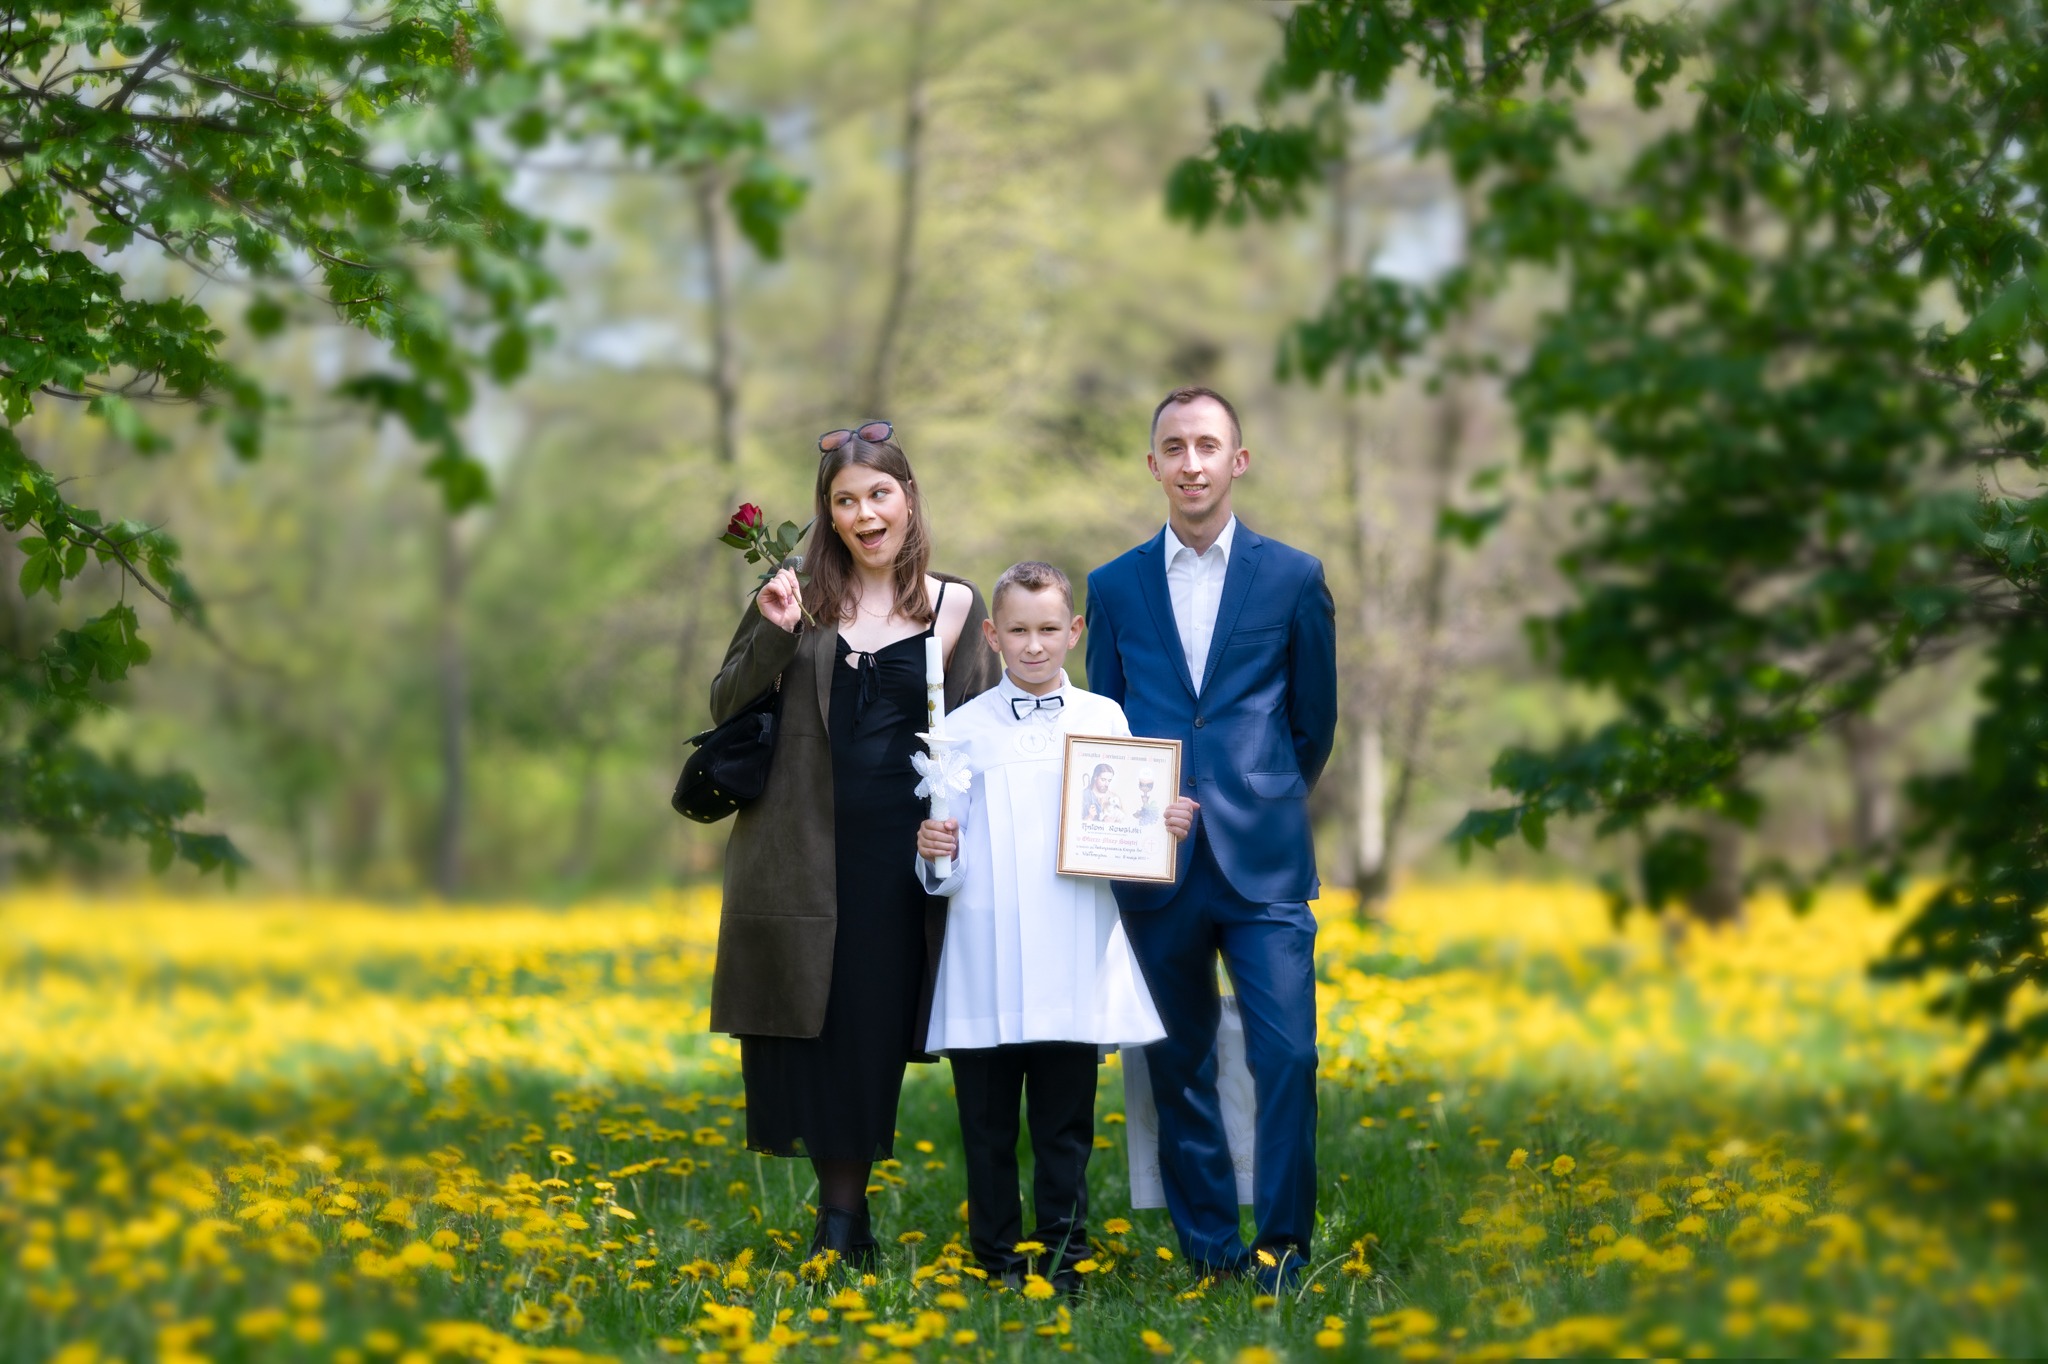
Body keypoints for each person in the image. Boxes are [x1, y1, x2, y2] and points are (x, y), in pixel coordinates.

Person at [707, 421, 999, 1266]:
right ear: (827, 514)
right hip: (801, 849)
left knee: (871, 1026)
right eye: (846, 501)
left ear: (908, 500)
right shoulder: (793, 597)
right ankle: (842, 1226)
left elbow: (983, 736)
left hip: (901, 861)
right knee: (817, 1026)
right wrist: (773, 631)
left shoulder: (954, 606)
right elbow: (726, 704)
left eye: (879, 495)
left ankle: (850, 1217)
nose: (866, 514)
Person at [1083, 386, 1338, 1286]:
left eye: (1207, 445)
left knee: (1289, 1055)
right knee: (1175, 1062)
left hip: (1265, 858)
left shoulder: (1294, 577)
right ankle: (1213, 1255)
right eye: (1174, 447)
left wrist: (1262, 795)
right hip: (1155, 859)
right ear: (1153, 464)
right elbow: (1107, 721)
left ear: (1238, 460)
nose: (1190, 463)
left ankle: (1283, 1248)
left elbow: (1314, 721)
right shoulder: (1113, 587)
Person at [914, 561, 1192, 1290]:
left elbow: (1126, 836)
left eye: (1047, 629)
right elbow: (947, 863)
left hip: (1072, 946)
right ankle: (997, 1259)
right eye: (1017, 631)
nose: (1033, 645)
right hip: (987, 949)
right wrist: (936, 851)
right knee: (987, 1124)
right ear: (991, 635)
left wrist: (1160, 825)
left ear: (1074, 631)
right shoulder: (960, 729)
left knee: (1065, 1123)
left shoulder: (1105, 720)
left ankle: (1065, 1258)